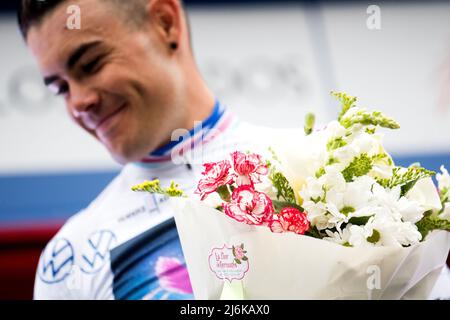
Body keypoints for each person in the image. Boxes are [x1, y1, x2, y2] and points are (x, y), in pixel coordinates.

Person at [19, 0, 271, 299]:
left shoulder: (318, 168)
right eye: (61, 88)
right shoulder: (71, 257)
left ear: (165, 23)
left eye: (90, 65)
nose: (77, 103)